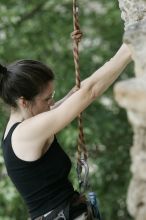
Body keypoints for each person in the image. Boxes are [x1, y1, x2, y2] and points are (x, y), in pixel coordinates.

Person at [0, 42, 131, 220]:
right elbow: (89, 93)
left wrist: (124, 50)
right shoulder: (26, 133)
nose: (51, 103)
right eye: (47, 99)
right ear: (23, 102)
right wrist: (131, 46)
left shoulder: (22, 125)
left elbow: (77, 93)